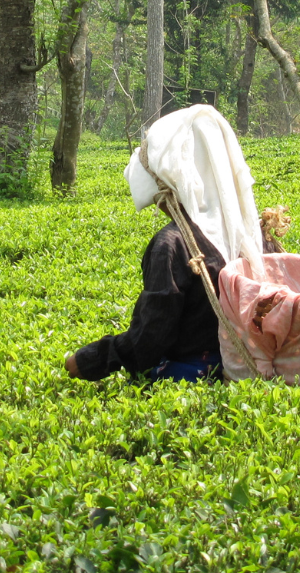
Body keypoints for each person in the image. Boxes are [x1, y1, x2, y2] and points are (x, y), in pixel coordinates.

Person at [65, 105, 266, 383]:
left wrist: (92, 360)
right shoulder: (252, 233)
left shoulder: (172, 245)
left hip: (198, 373)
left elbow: (151, 336)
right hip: (254, 362)